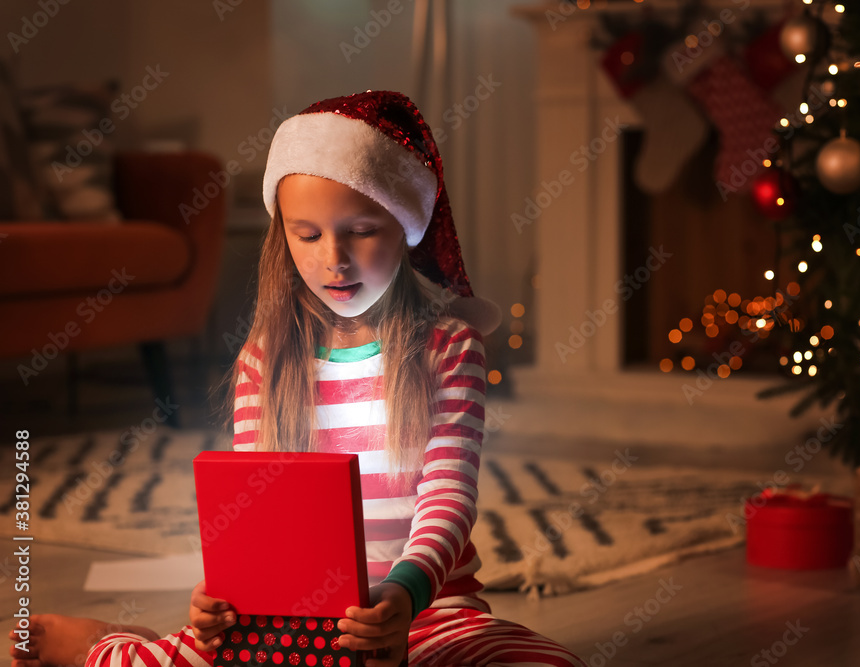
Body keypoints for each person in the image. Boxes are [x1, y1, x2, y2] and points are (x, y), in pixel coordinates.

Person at [9, 90, 585, 667]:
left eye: (360, 231)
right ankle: (102, 643)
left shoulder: (449, 346)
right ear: (281, 237)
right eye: (306, 235)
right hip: (293, 618)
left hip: (428, 613)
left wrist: (405, 595)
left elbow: (448, 497)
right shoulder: (267, 359)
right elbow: (256, 518)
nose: (333, 258)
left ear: (406, 227)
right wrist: (220, 599)